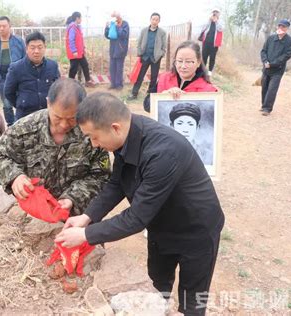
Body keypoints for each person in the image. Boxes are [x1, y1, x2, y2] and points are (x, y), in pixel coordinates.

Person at [55, 92, 225, 316]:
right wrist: (86, 217)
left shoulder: (163, 152)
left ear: (115, 127)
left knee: (191, 301)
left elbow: (136, 218)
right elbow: (117, 184)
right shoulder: (126, 138)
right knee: (156, 285)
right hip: (161, 224)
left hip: (196, 230)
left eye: (94, 137)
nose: (94, 145)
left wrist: (86, 235)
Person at [0, 78, 110, 215]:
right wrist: (15, 177)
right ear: (48, 103)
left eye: (72, 119)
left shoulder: (91, 134)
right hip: (35, 213)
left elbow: (101, 176)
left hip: (78, 216)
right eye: (57, 117)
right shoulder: (26, 128)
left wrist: (73, 198)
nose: (63, 125)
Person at [143, 40, 218, 112]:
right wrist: (163, 96)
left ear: (198, 62)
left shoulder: (208, 90)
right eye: (179, 61)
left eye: (188, 62)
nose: (183, 66)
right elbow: (147, 106)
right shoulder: (164, 78)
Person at [3, 31, 60, 121]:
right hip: (25, 116)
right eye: (32, 48)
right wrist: (21, 103)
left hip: (48, 116)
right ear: (26, 49)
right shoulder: (16, 68)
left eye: (40, 47)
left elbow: (58, 88)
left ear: (45, 48)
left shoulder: (53, 66)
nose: (36, 51)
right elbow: (8, 92)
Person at [0, 16, 26, 126]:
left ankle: (21, 123)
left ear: (10, 27)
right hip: (2, 78)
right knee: (7, 104)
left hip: (18, 77)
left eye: (4, 26)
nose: (1, 28)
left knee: (21, 101)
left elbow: (25, 58)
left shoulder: (19, 42)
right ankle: (11, 125)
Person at [127, 13, 166, 100]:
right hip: (144, 57)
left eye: (156, 19)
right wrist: (140, 53)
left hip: (156, 58)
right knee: (140, 76)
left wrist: (161, 54)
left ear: (159, 21)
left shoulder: (162, 32)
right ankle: (134, 93)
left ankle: (150, 94)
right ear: (150, 20)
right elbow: (139, 43)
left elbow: (164, 47)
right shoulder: (144, 31)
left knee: (154, 77)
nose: (154, 21)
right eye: (153, 19)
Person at [260, 19, 291, 116]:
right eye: (279, 26)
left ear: (287, 28)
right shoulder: (271, 38)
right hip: (266, 68)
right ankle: (264, 106)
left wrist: (273, 64)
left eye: (283, 26)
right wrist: (265, 61)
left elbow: (287, 56)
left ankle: (267, 109)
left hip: (277, 70)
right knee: (264, 88)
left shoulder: (290, 41)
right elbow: (263, 51)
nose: (280, 28)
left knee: (272, 89)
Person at [66, 12, 96, 87]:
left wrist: (83, 48)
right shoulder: (72, 27)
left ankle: (88, 81)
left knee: (85, 65)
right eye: (80, 18)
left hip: (80, 52)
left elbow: (79, 40)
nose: (81, 19)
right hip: (75, 53)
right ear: (77, 18)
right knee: (74, 68)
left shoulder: (77, 27)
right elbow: (71, 40)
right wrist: (74, 51)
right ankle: (70, 83)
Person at [104, 11, 129, 90]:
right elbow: (108, 36)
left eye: (115, 16)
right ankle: (113, 84)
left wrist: (118, 26)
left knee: (119, 68)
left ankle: (119, 85)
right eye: (113, 17)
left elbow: (123, 35)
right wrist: (107, 27)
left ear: (119, 16)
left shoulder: (125, 24)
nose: (115, 18)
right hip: (112, 50)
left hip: (121, 50)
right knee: (112, 68)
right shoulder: (112, 23)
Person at [199, 9, 223, 76]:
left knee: (212, 57)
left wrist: (216, 22)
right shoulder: (208, 21)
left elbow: (220, 29)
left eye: (216, 13)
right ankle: (202, 70)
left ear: (218, 14)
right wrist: (209, 20)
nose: (215, 14)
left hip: (214, 44)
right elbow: (203, 28)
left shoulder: (220, 22)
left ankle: (210, 71)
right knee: (204, 57)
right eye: (214, 13)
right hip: (206, 42)